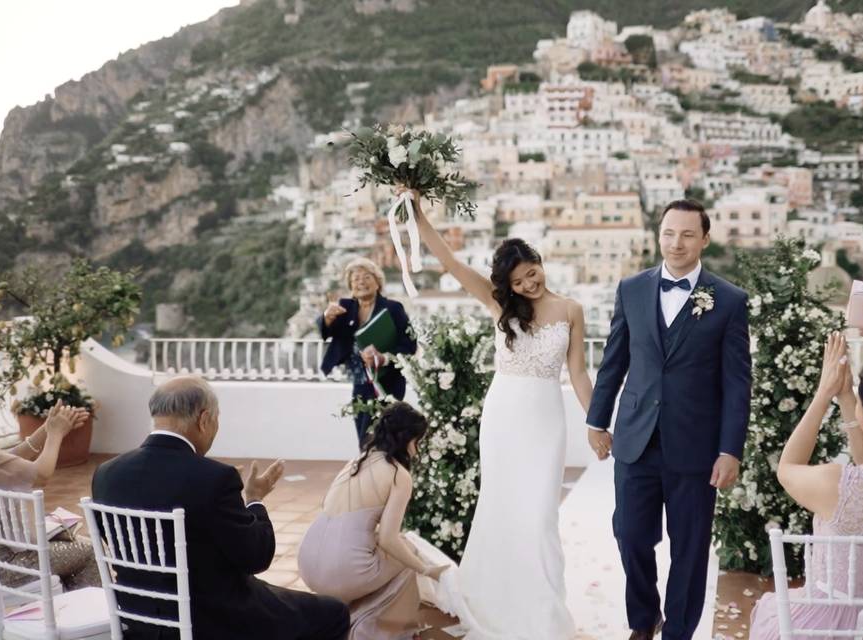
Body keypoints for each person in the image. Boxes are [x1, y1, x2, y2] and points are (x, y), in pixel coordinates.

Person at [408, 190, 595, 639]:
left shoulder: (571, 309)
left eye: (531, 273)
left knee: (539, 515)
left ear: (539, 262)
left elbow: (579, 372)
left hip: (545, 419)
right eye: (518, 282)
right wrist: (416, 213)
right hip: (503, 416)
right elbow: (451, 265)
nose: (528, 285)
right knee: (501, 507)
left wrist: (596, 423)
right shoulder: (499, 306)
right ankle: (494, 601)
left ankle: (543, 606)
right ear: (507, 286)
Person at [587, 199, 752, 640]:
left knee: (691, 549)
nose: (675, 243)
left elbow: (738, 384)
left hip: (696, 447)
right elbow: (613, 362)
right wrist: (596, 420)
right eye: (668, 233)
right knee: (630, 535)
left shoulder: (730, 301)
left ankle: (678, 631)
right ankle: (644, 620)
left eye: (687, 234)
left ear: (705, 239)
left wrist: (729, 449)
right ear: (658, 235)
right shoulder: (632, 289)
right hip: (636, 440)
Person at [91, 375, 349, 640]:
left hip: (140, 616)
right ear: (204, 420)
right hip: (214, 620)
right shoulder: (214, 478)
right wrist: (254, 500)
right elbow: (256, 557)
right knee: (334, 612)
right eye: (216, 419)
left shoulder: (106, 474)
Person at [750, 334, 863, 638]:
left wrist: (824, 394)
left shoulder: (841, 487)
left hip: (827, 628)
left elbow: (787, 469)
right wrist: (847, 399)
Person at [298, 402, 447, 639]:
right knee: (407, 550)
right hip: (341, 572)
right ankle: (379, 627)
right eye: (417, 442)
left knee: (383, 548)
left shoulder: (355, 463)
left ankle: (350, 615)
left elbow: (328, 506)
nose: (416, 451)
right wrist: (427, 569)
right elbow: (389, 539)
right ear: (405, 439)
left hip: (307, 563)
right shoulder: (398, 474)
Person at [0, 361, 99, 591]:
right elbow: (40, 475)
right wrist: (55, 435)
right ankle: (90, 621)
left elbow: (3, 462)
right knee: (87, 552)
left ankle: (64, 617)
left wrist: (45, 429)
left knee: (69, 549)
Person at [319, 258, 418, 444]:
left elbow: (409, 346)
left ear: (378, 281)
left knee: (389, 436)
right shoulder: (345, 308)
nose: (361, 282)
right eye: (355, 279)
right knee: (364, 436)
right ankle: (369, 470)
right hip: (360, 382)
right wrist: (327, 317)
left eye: (366, 277)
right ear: (350, 286)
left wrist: (384, 358)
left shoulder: (393, 308)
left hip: (388, 382)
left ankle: (389, 471)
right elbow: (326, 332)